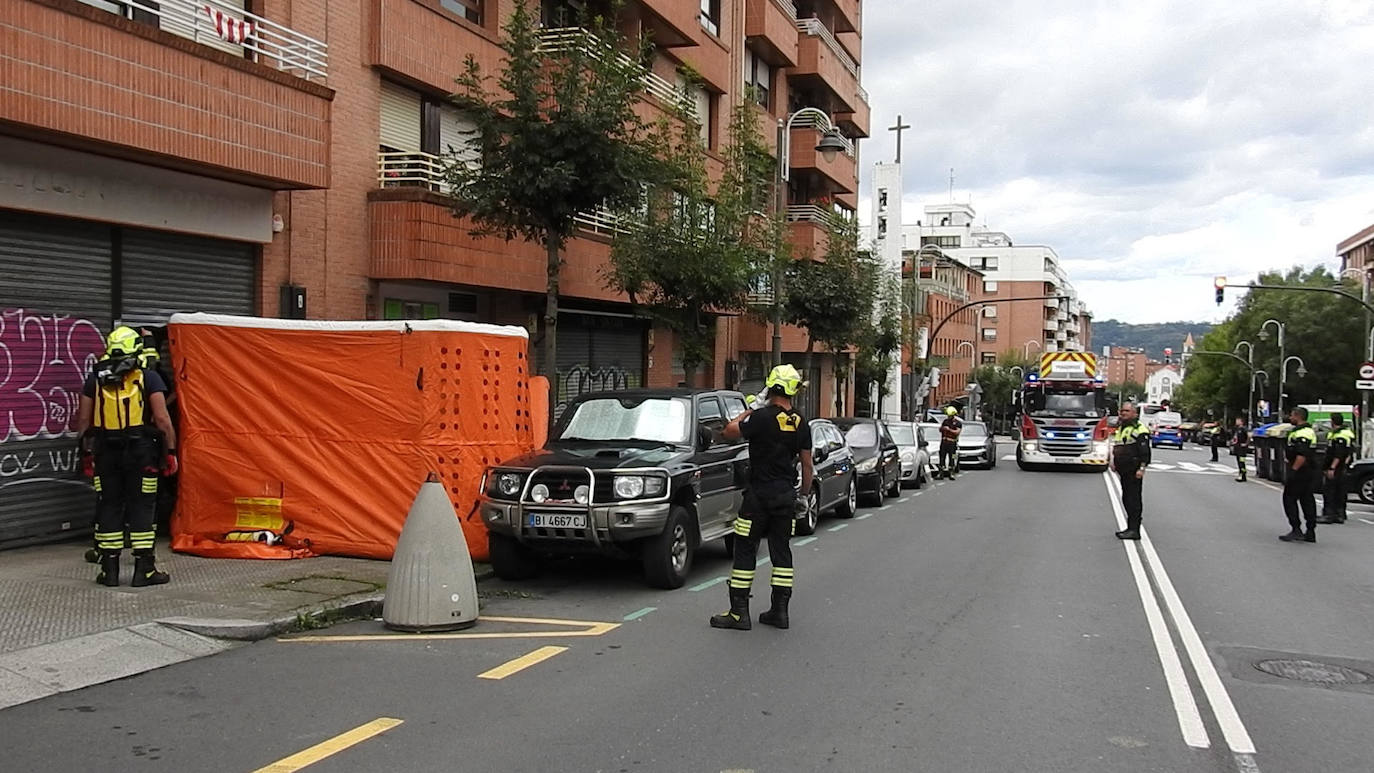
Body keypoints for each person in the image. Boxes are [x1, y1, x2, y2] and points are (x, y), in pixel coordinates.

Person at [710, 364, 813, 631]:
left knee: (745, 550)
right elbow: (807, 465)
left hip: (757, 498)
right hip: (785, 498)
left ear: (770, 386)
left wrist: (752, 407)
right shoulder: (801, 422)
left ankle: (739, 613)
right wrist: (803, 496)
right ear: (793, 390)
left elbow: (729, 431)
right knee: (782, 553)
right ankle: (780, 612)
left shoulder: (761, 417)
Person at [74, 326, 179, 587]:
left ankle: (109, 570)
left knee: (109, 504)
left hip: (105, 452)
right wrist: (172, 452)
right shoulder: (148, 376)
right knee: (142, 505)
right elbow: (162, 419)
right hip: (142, 453)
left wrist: (87, 452)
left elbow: (85, 420)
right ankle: (144, 569)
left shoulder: (95, 377)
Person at [1110, 402, 1151, 540]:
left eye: (1127, 411)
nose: (1123, 413)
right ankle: (1130, 528)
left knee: (1133, 500)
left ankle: (1134, 530)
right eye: (1122, 410)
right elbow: (1118, 446)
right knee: (1126, 498)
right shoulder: (1122, 428)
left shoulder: (1140, 429)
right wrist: (1113, 462)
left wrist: (1142, 468)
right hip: (1124, 470)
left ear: (1135, 413)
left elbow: (1145, 451)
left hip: (1134, 470)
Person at [1280, 407, 1318, 543]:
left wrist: (1294, 471)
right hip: (1307, 471)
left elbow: (1302, 455)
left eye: (1292, 415)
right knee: (1307, 500)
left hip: (1301, 471)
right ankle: (1310, 530)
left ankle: (1296, 529)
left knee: (1289, 499)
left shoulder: (1303, 433)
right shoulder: (1306, 431)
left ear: (1298, 416)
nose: (1290, 418)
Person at [1317, 413, 1356, 525]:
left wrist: (1332, 467)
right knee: (1340, 491)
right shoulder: (1347, 434)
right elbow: (1349, 452)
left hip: (1336, 468)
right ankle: (1340, 514)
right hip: (1343, 468)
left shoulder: (1339, 436)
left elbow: (1338, 454)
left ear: (1332, 421)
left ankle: (1329, 515)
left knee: (1330, 491)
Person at [937, 406, 963, 480]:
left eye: (950, 415)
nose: (948, 417)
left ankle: (951, 473)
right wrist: (942, 428)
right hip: (944, 443)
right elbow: (940, 429)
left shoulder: (958, 423)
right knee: (942, 457)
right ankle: (941, 473)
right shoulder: (945, 421)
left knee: (953, 457)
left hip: (952, 444)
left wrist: (949, 430)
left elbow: (957, 432)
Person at [1229, 415, 1251, 483]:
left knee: (1242, 462)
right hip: (1237, 448)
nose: (1236, 422)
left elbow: (1249, 436)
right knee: (1239, 462)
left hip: (1242, 449)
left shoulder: (1244, 429)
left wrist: (1246, 444)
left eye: (1238, 421)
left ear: (1241, 422)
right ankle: (1241, 474)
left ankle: (1243, 474)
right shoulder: (1237, 429)